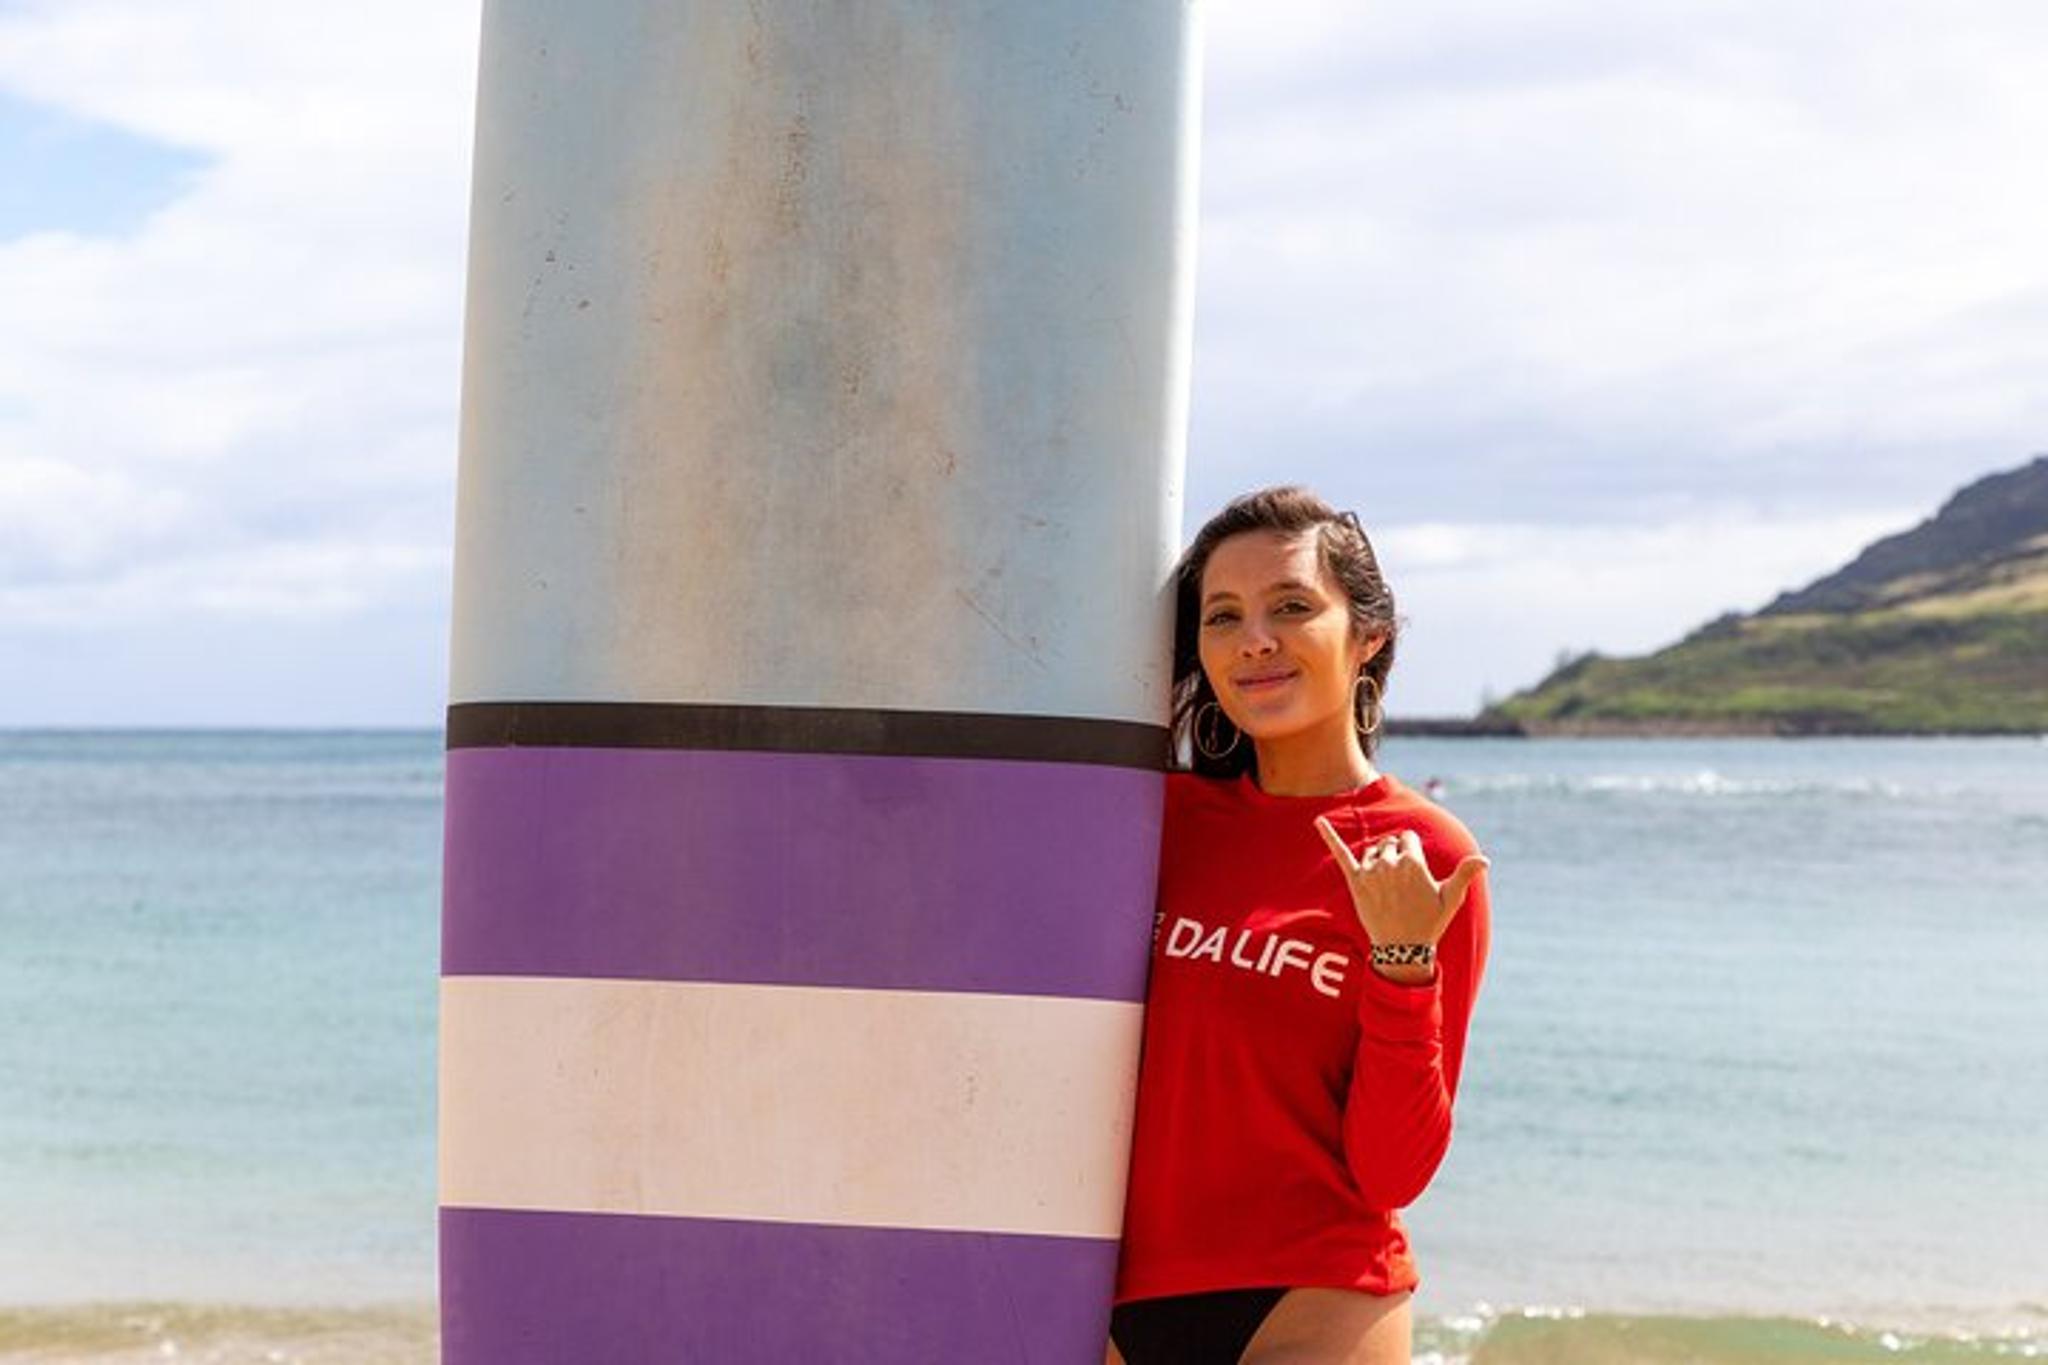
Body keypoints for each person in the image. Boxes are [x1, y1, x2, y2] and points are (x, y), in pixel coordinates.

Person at [1105, 486, 1492, 1365]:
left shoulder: (1426, 854)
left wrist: (1402, 964)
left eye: (1291, 606)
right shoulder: (1154, 821)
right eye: (1223, 616)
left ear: (1368, 634)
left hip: (1315, 1295)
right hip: (1117, 1292)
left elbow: (1394, 1172)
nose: (1255, 640)